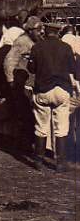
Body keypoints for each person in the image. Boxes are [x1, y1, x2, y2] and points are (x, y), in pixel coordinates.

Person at [28, 22, 78, 172]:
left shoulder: (37, 47)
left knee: (41, 126)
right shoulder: (66, 47)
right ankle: (60, 162)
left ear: (45, 31)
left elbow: (31, 68)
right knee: (61, 127)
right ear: (58, 32)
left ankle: (38, 160)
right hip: (62, 89)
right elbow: (73, 70)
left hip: (43, 89)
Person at [3, 15, 44, 150]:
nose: (40, 32)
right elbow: (9, 61)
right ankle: (24, 143)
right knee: (25, 114)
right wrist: (11, 80)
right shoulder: (22, 41)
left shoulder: (37, 41)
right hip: (22, 82)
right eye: (38, 30)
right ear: (30, 30)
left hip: (33, 82)